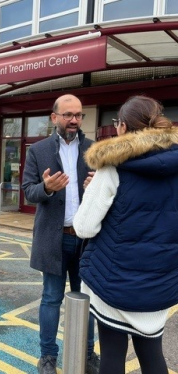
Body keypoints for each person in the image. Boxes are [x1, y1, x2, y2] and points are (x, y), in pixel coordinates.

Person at [73, 95, 178, 374]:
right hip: (161, 281)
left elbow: (84, 227)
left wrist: (91, 192)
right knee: (153, 355)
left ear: (121, 128)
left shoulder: (111, 168)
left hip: (113, 282)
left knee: (112, 356)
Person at [22, 94, 99, 374]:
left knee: (87, 299)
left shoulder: (94, 148)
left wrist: (97, 186)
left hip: (87, 239)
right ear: (54, 117)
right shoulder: (38, 150)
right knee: (52, 298)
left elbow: (109, 191)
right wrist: (48, 188)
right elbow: (29, 192)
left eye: (78, 115)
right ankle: (47, 357)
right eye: (68, 115)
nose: (74, 120)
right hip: (54, 239)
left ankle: (88, 354)